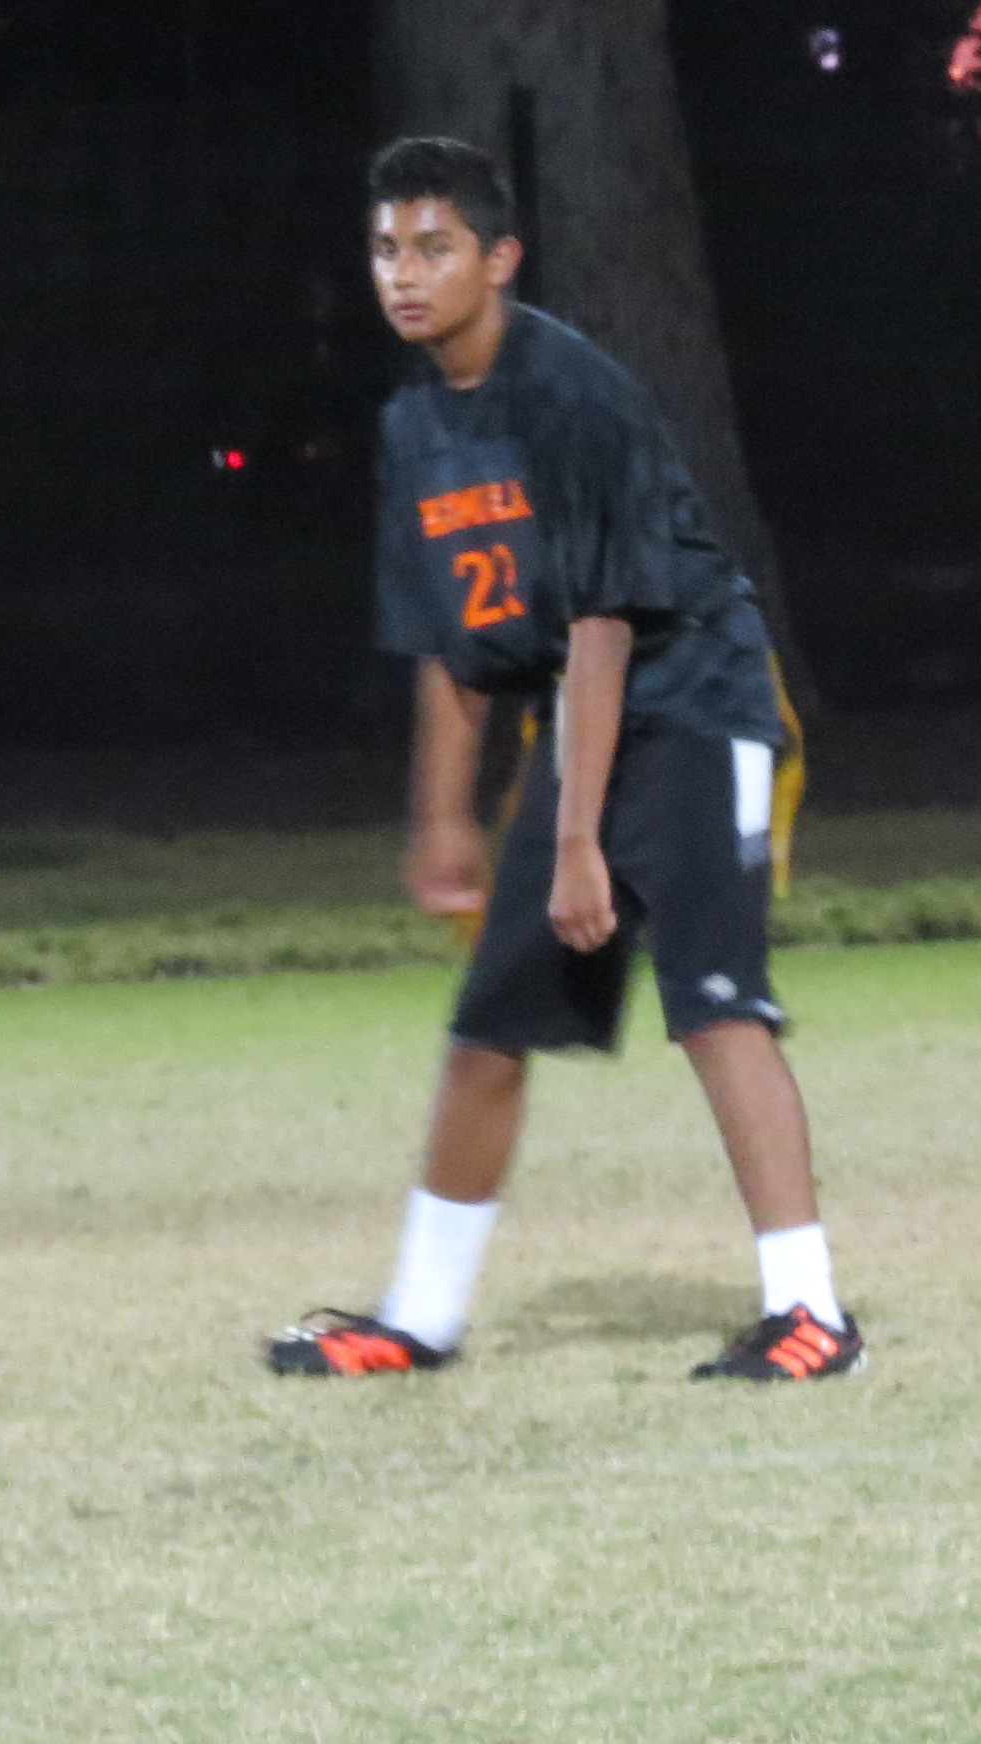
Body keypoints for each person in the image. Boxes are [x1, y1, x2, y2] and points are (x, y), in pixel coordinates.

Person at [265, 137, 859, 1384]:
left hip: (697, 707)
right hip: (581, 729)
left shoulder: (571, 397)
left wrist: (579, 842)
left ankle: (813, 1314)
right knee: (489, 1024)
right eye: (385, 249)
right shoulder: (417, 422)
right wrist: (443, 819)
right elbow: (453, 644)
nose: (403, 273)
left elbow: (602, 627)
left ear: (500, 260)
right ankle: (419, 1317)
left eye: (434, 248)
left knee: (716, 1004)